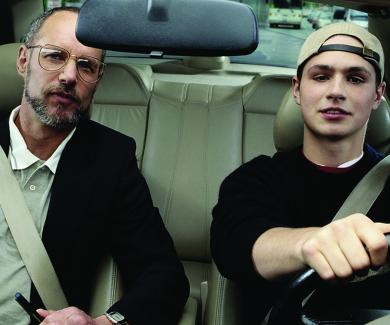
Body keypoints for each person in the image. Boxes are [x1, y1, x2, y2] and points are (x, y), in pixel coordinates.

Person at [0, 7, 189, 325]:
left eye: (86, 65)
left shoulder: (110, 160)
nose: (69, 76)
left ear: (98, 79)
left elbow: (164, 277)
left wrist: (104, 322)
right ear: (23, 61)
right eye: (55, 56)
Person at [211, 22, 390, 324]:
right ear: (297, 89)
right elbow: (239, 246)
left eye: (356, 79)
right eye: (321, 77)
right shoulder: (255, 179)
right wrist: (310, 244)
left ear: (377, 95)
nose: (336, 91)